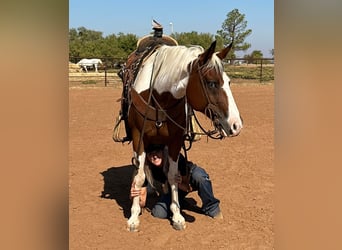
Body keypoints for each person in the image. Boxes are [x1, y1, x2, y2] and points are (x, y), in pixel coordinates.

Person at [130, 144, 223, 219]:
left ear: (163, 152)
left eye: (157, 152)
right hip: (173, 188)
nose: (154, 156)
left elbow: (188, 188)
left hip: (188, 179)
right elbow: (142, 202)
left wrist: (179, 183)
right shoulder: (146, 170)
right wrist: (134, 196)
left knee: (200, 177)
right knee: (158, 212)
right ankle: (180, 202)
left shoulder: (175, 158)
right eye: (150, 154)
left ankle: (212, 207)